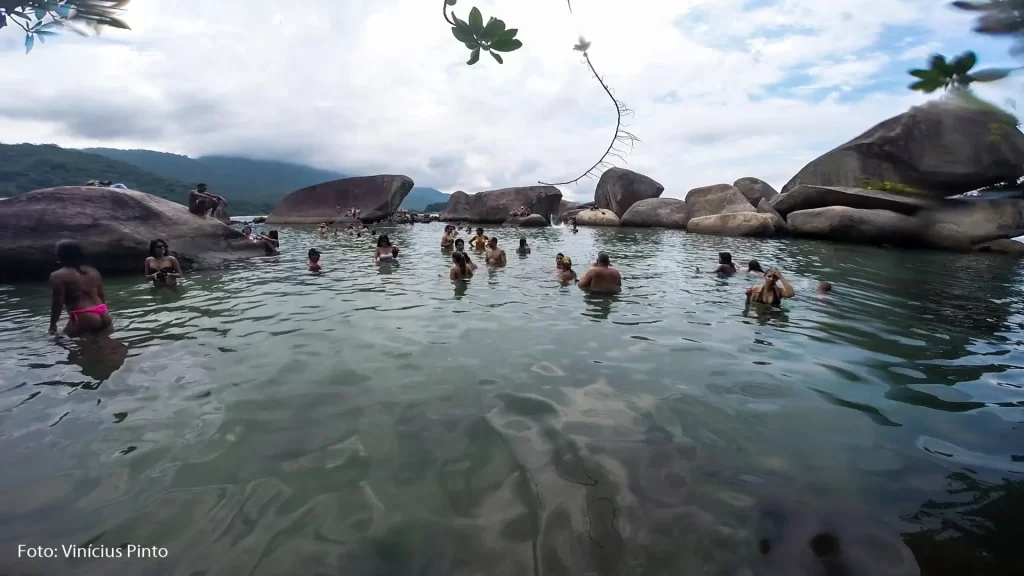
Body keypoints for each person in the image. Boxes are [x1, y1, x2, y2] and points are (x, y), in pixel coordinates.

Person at [49, 240, 113, 336]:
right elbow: (101, 295)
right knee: (101, 343)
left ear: (60, 255)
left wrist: (52, 325)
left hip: (84, 315)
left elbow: (58, 303)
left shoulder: (57, 276)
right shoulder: (93, 272)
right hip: (103, 312)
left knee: (60, 339)